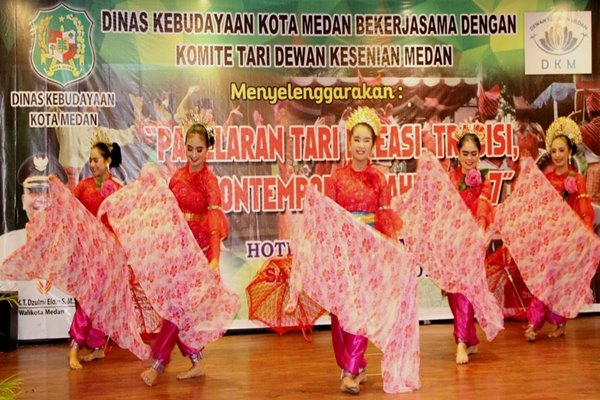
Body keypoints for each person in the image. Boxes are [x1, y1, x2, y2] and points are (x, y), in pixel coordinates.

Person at [140, 121, 228, 386]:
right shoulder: (177, 176)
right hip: (177, 250)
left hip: (197, 253)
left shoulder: (209, 181)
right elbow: (167, 211)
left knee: (176, 308)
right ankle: (196, 361)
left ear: (208, 149)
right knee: (177, 307)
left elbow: (214, 223)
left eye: (199, 149)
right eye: (189, 148)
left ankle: (158, 362)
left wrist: (213, 259)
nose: (193, 154)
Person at [325, 106, 401, 394]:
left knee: (362, 310)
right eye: (356, 139)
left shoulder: (379, 179)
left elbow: (385, 219)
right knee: (340, 314)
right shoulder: (336, 178)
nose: (360, 145)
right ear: (349, 140)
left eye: (366, 140)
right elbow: (329, 220)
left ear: (373, 144)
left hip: (369, 253)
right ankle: (352, 363)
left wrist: (390, 250)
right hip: (343, 252)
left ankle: (351, 368)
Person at [524, 117, 594, 342]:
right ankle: (552, 323)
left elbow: (584, 209)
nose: (557, 155)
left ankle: (536, 323)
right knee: (549, 280)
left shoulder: (577, 179)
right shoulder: (547, 178)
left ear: (570, 151)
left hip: (569, 240)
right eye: (553, 150)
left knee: (554, 281)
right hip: (549, 239)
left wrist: (586, 234)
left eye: (561, 150)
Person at [69, 139, 123, 369]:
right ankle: (98, 346)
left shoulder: (117, 188)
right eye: (90, 160)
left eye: (96, 160)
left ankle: (74, 347)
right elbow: (70, 209)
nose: (92, 164)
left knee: (91, 298)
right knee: (89, 298)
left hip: (106, 253)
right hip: (85, 250)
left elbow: (122, 220)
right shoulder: (83, 186)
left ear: (108, 161)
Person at [447, 123, 494, 364]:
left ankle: (461, 343)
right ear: (458, 153)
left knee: (467, 291)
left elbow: (484, 206)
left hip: (473, 243)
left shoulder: (484, 181)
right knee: (456, 293)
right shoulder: (450, 178)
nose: (469, 158)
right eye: (465, 153)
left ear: (479, 154)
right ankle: (470, 338)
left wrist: (479, 231)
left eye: (473, 153)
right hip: (454, 242)